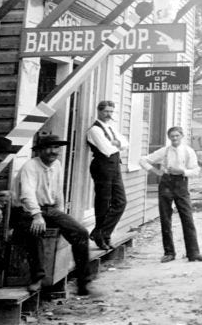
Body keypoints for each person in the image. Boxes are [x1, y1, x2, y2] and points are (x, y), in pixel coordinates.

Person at [12, 134, 92, 295]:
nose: (52, 151)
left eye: (56, 148)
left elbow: (58, 192)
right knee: (35, 231)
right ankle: (38, 277)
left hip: (49, 210)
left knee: (81, 233)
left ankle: (83, 281)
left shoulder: (57, 165)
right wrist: (36, 215)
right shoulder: (30, 166)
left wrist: (61, 215)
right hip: (27, 210)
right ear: (40, 150)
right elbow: (27, 194)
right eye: (48, 148)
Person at [139, 127, 202, 263]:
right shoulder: (164, 151)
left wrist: (182, 171)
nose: (175, 138)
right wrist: (156, 171)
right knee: (165, 218)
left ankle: (193, 253)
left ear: (182, 136)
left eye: (177, 136)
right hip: (166, 184)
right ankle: (169, 253)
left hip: (181, 184)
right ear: (169, 137)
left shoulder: (188, 151)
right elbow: (143, 160)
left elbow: (196, 170)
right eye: (172, 136)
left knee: (187, 217)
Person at [86, 100, 128, 250]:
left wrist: (118, 143)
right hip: (102, 166)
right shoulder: (94, 130)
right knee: (104, 202)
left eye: (111, 111)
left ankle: (100, 232)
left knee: (121, 201)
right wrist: (117, 144)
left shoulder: (110, 127)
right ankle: (103, 237)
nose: (109, 114)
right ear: (99, 111)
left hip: (115, 166)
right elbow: (106, 149)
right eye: (106, 111)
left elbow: (125, 143)